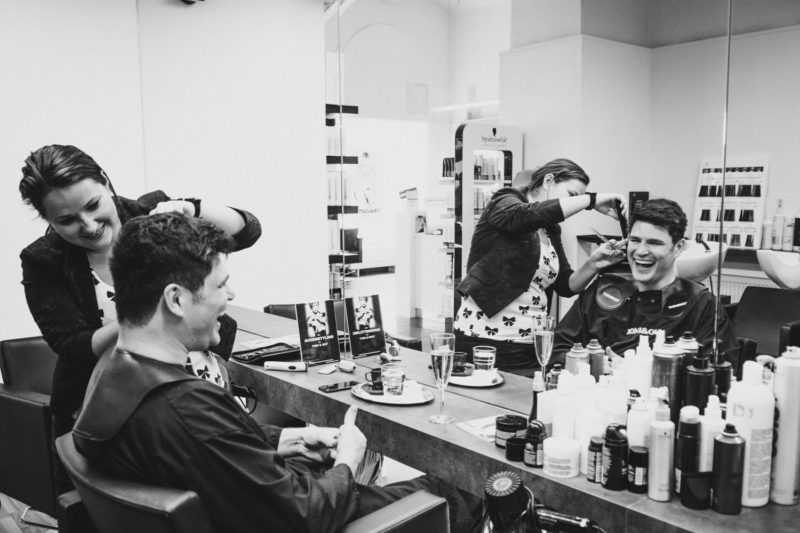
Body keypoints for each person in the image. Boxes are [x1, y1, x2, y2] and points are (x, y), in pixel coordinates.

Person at [72, 213, 482, 533]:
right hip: (297, 519)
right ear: (176, 300)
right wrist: (347, 459)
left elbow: (210, 449)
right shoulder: (184, 406)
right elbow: (307, 515)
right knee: (457, 492)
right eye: (221, 285)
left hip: (244, 510)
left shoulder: (111, 372)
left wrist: (292, 438)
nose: (230, 296)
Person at [18, 144, 261, 492]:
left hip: (198, 387)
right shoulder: (44, 259)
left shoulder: (150, 216)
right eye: (66, 221)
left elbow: (247, 231)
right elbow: (72, 347)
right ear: (48, 219)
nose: (88, 225)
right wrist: (146, 312)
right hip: (110, 413)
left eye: (93, 205)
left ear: (106, 182)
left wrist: (191, 208)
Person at [454, 158, 627, 376]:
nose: (577, 205)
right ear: (548, 181)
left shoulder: (550, 229)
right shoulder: (505, 201)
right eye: (572, 195)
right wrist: (591, 201)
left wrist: (595, 263)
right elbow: (525, 216)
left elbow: (566, 285)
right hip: (487, 340)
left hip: (531, 344)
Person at [552, 198, 738, 361]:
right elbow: (557, 350)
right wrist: (597, 365)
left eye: (654, 243)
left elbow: (720, 369)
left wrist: (641, 369)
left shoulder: (701, 304)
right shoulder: (603, 292)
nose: (640, 251)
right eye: (635, 240)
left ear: (679, 247)